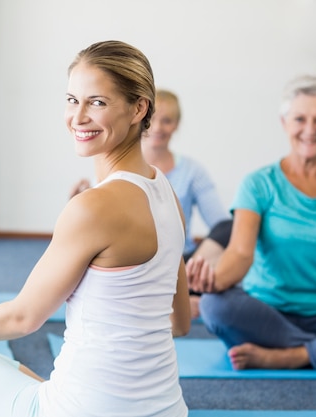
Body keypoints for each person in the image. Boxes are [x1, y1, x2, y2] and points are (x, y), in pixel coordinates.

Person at [0, 40, 191, 417]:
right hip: (169, 409)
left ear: (139, 108)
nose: (78, 116)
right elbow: (182, 322)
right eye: (73, 100)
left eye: (97, 102)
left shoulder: (92, 207)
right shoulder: (166, 192)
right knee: (13, 377)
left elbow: (24, 317)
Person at [186, 73, 316, 371]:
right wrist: (210, 283)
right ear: (284, 123)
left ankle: (294, 355)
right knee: (215, 306)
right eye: (300, 119)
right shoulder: (258, 184)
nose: (310, 130)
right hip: (265, 313)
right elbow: (240, 253)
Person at [71, 89, 232, 318]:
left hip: (179, 263)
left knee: (230, 227)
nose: (158, 128)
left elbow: (221, 225)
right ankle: (181, 298)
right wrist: (80, 203)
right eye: (154, 119)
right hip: (133, 259)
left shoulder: (192, 171)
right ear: (142, 118)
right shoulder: (115, 166)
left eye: (166, 121)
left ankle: (178, 291)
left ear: (176, 125)